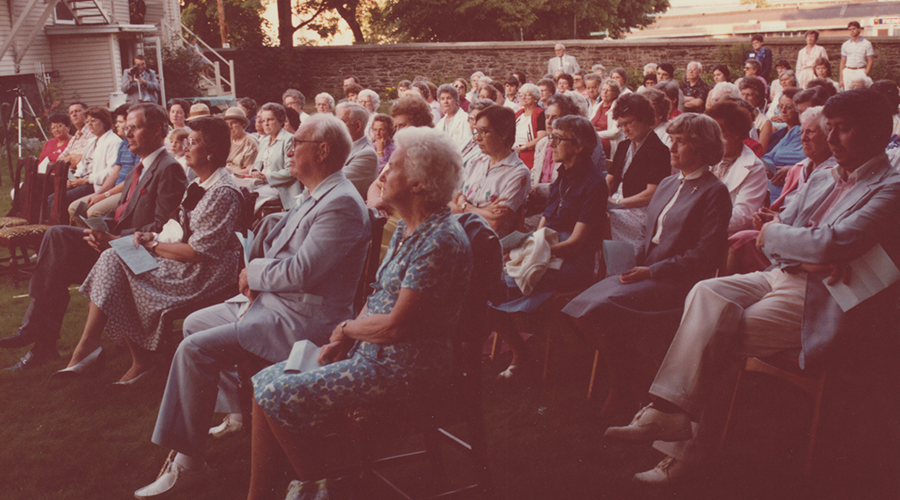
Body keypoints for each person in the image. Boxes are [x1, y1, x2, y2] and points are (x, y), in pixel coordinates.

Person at [605, 89, 900, 485]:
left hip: (825, 297)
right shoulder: (825, 176)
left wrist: (804, 244)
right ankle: (668, 411)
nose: (831, 140)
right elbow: (773, 230)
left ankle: (679, 446)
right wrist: (802, 247)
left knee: (717, 333)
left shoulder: (890, 187)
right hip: (785, 275)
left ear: (878, 133)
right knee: (707, 293)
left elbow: (829, 243)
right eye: (831, 129)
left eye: (843, 130)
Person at [133, 114, 371, 499]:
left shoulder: (340, 202)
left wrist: (254, 272)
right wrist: (256, 267)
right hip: (275, 302)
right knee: (195, 323)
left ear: (323, 151)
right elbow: (286, 251)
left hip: (302, 319)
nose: (289, 150)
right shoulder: (316, 193)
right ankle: (238, 414)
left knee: (193, 348)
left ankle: (188, 464)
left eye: (298, 144)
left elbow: (303, 271)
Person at [246, 126, 473, 500]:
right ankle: (268, 493)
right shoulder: (410, 228)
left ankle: (322, 486)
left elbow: (398, 327)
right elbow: (378, 293)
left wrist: (349, 332)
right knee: (263, 385)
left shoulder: (439, 241)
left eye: (393, 167)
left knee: (276, 392)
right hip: (373, 353)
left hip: (403, 367)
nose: (381, 174)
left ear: (418, 184)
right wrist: (344, 338)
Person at [563, 112, 732, 418]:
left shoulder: (714, 192)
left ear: (701, 148)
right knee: (579, 310)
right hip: (644, 272)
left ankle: (623, 386)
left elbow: (704, 255)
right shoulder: (668, 184)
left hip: (677, 282)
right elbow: (647, 234)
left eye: (680, 142)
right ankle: (631, 380)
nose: (672, 147)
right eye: (673, 140)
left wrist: (652, 270)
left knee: (599, 311)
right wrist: (630, 259)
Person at [54, 117, 244, 383]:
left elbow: (198, 253)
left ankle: (102, 352)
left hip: (201, 274)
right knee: (113, 257)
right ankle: (98, 349)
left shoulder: (222, 192)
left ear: (211, 151)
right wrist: (150, 235)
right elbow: (176, 225)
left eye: (193, 142)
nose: (185, 148)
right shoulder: (198, 183)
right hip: (180, 259)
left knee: (117, 266)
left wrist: (152, 245)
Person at [0, 103, 187, 370]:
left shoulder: (168, 168)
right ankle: (41, 342)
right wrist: (99, 229)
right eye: (127, 128)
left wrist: (112, 237)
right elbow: (122, 214)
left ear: (157, 130)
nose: (128, 134)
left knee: (58, 246)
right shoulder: (141, 168)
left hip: (137, 255)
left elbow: (163, 226)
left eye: (135, 128)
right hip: (116, 245)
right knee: (56, 239)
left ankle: (40, 340)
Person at [491, 115, 607, 380]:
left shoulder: (594, 183)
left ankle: (525, 353)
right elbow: (544, 224)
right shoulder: (562, 177)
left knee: (494, 284)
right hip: (548, 251)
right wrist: (526, 246)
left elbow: (577, 242)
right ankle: (521, 351)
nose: (550, 143)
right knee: (486, 283)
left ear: (578, 146)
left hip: (572, 260)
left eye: (557, 138)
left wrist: (535, 252)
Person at [726, 105, 838, 275]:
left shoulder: (834, 173)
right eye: (802, 132)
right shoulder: (798, 168)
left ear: (828, 136)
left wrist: (775, 221)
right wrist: (767, 217)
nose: (804, 138)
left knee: (740, 240)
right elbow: (780, 208)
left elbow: (816, 222)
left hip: (799, 241)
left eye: (811, 132)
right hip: (778, 229)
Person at [452, 105, 530, 238]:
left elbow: (494, 224)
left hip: (488, 244)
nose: (477, 138)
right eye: (476, 131)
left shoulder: (518, 173)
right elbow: (449, 205)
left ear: (504, 133)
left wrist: (463, 205)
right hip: (460, 236)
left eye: (484, 131)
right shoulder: (474, 163)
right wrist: (483, 211)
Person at [605, 92, 671, 250]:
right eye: (621, 125)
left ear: (644, 119)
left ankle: (614, 265)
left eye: (629, 123)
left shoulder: (659, 150)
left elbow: (651, 193)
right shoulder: (623, 146)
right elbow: (610, 179)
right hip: (615, 204)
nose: (625, 129)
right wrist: (603, 197)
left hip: (639, 211)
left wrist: (617, 204)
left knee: (601, 220)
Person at [705, 100, 768, 234]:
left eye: (718, 132)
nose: (711, 137)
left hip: (729, 237)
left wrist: (699, 224)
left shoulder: (754, 168)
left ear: (736, 133)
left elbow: (742, 217)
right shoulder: (705, 158)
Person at [68, 105, 140, 220]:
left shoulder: (119, 143)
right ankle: (88, 235)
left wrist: (103, 195)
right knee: (73, 208)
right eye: (87, 121)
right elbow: (114, 174)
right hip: (108, 187)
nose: (116, 124)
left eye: (120, 122)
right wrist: (98, 194)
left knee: (92, 212)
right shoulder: (122, 144)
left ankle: (104, 236)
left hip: (123, 190)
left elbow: (130, 180)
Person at [62, 106, 123, 212]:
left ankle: (65, 227)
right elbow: (83, 163)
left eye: (93, 121)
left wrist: (86, 180)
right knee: (53, 196)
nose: (89, 124)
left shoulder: (113, 142)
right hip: (84, 181)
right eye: (88, 121)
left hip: (97, 185)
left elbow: (111, 172)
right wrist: (75, 177)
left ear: (104, 122)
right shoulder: (92, 141)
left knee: (61, 200)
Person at [250, 103, 300, 210]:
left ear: (281, 120)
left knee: (251, 197)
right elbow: (258, 163)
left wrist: (266, 176)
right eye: (263, 121)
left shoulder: (289, 140)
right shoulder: (264, 141)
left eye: (270, 120)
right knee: (239, 190)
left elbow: (291, 171)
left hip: (281, 187)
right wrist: (255, 170)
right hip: (261, 183)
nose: (266, 124)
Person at [335, 102, 378, 200]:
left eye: (341, 122)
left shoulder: (367, 154)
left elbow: (331, 182)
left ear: (358, 126)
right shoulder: (339, 146)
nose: (336, 126)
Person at [513, 83, 547, 171]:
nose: (523, 98)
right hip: (514, 152)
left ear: (535, 98)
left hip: (530, 154)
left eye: (527, 95)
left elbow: (541, 138)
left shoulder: (540, 114)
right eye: (521, 95)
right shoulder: (518, 114)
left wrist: (522, 149)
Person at [739, 77, 774, 151]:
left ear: (758, 98)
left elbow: (761, 151)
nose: (744, 98)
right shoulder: (735, 116)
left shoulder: (765, 122)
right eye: (742, 94)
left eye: (750, 95)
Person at [57, 102, 95, 169]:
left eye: (77, 111)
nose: (74, 114)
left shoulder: (92, 133)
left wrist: (68, 158)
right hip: (70, 175)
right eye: (71, 113)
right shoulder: (74, 138)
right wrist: (72, 157)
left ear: (86, 114)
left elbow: (82, 160)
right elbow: (58, 161)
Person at [222, 106, 259, 176]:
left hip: (240, 179)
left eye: (233, 123)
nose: (230, 126)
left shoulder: (250, 142)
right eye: (227, 123)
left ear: (243, 124)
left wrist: (229, 173)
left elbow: (249, 170)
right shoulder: (228, 140)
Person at [436, 83, 472, 150]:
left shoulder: (466, 119)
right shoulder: (440, 123)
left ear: (456, 101)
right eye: (442, 99)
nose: (445, 101)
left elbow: (468, 145)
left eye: (449, 98)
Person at [841, 21, 875, 91]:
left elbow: (870, 61)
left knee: (860, 92)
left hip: (860, 70)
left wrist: (865, 74)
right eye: (850, 29)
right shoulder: (845, 45)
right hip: (848, 71)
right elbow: (843, 62)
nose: (852, 31)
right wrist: (841, 79)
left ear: (859, 30)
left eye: (854, 29)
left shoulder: (867, 44)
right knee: (847, 93)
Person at [592, 78, 621, 158]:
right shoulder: (597, 106)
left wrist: (594, 134)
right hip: (594, 137)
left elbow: (614, 133)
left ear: (615, 93)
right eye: (603, 89)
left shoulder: (617, 108)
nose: (604, 92)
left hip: (608, 141)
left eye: (608, 90)